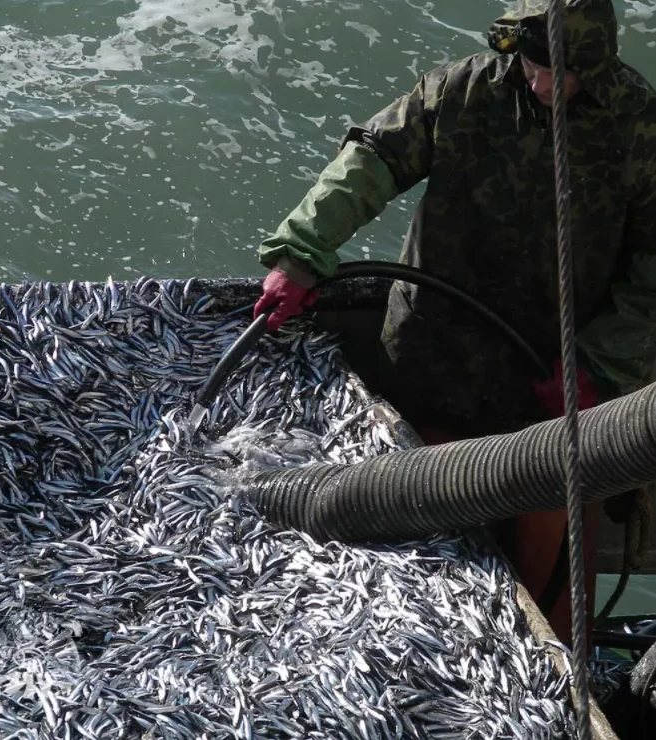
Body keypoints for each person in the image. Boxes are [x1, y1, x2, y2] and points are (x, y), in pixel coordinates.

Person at [253, 0, 656, 644]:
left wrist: (598, 366)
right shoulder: (459, 91)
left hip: (553, 382)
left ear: (597, 62)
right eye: (533, 66)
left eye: (564, 72)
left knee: (550, 526)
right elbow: (372, 160)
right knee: (427, 521)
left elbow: (652, 271)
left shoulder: (640, 124)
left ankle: (553, 674)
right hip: (435, 354)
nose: (545, 84)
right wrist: (301, 253)